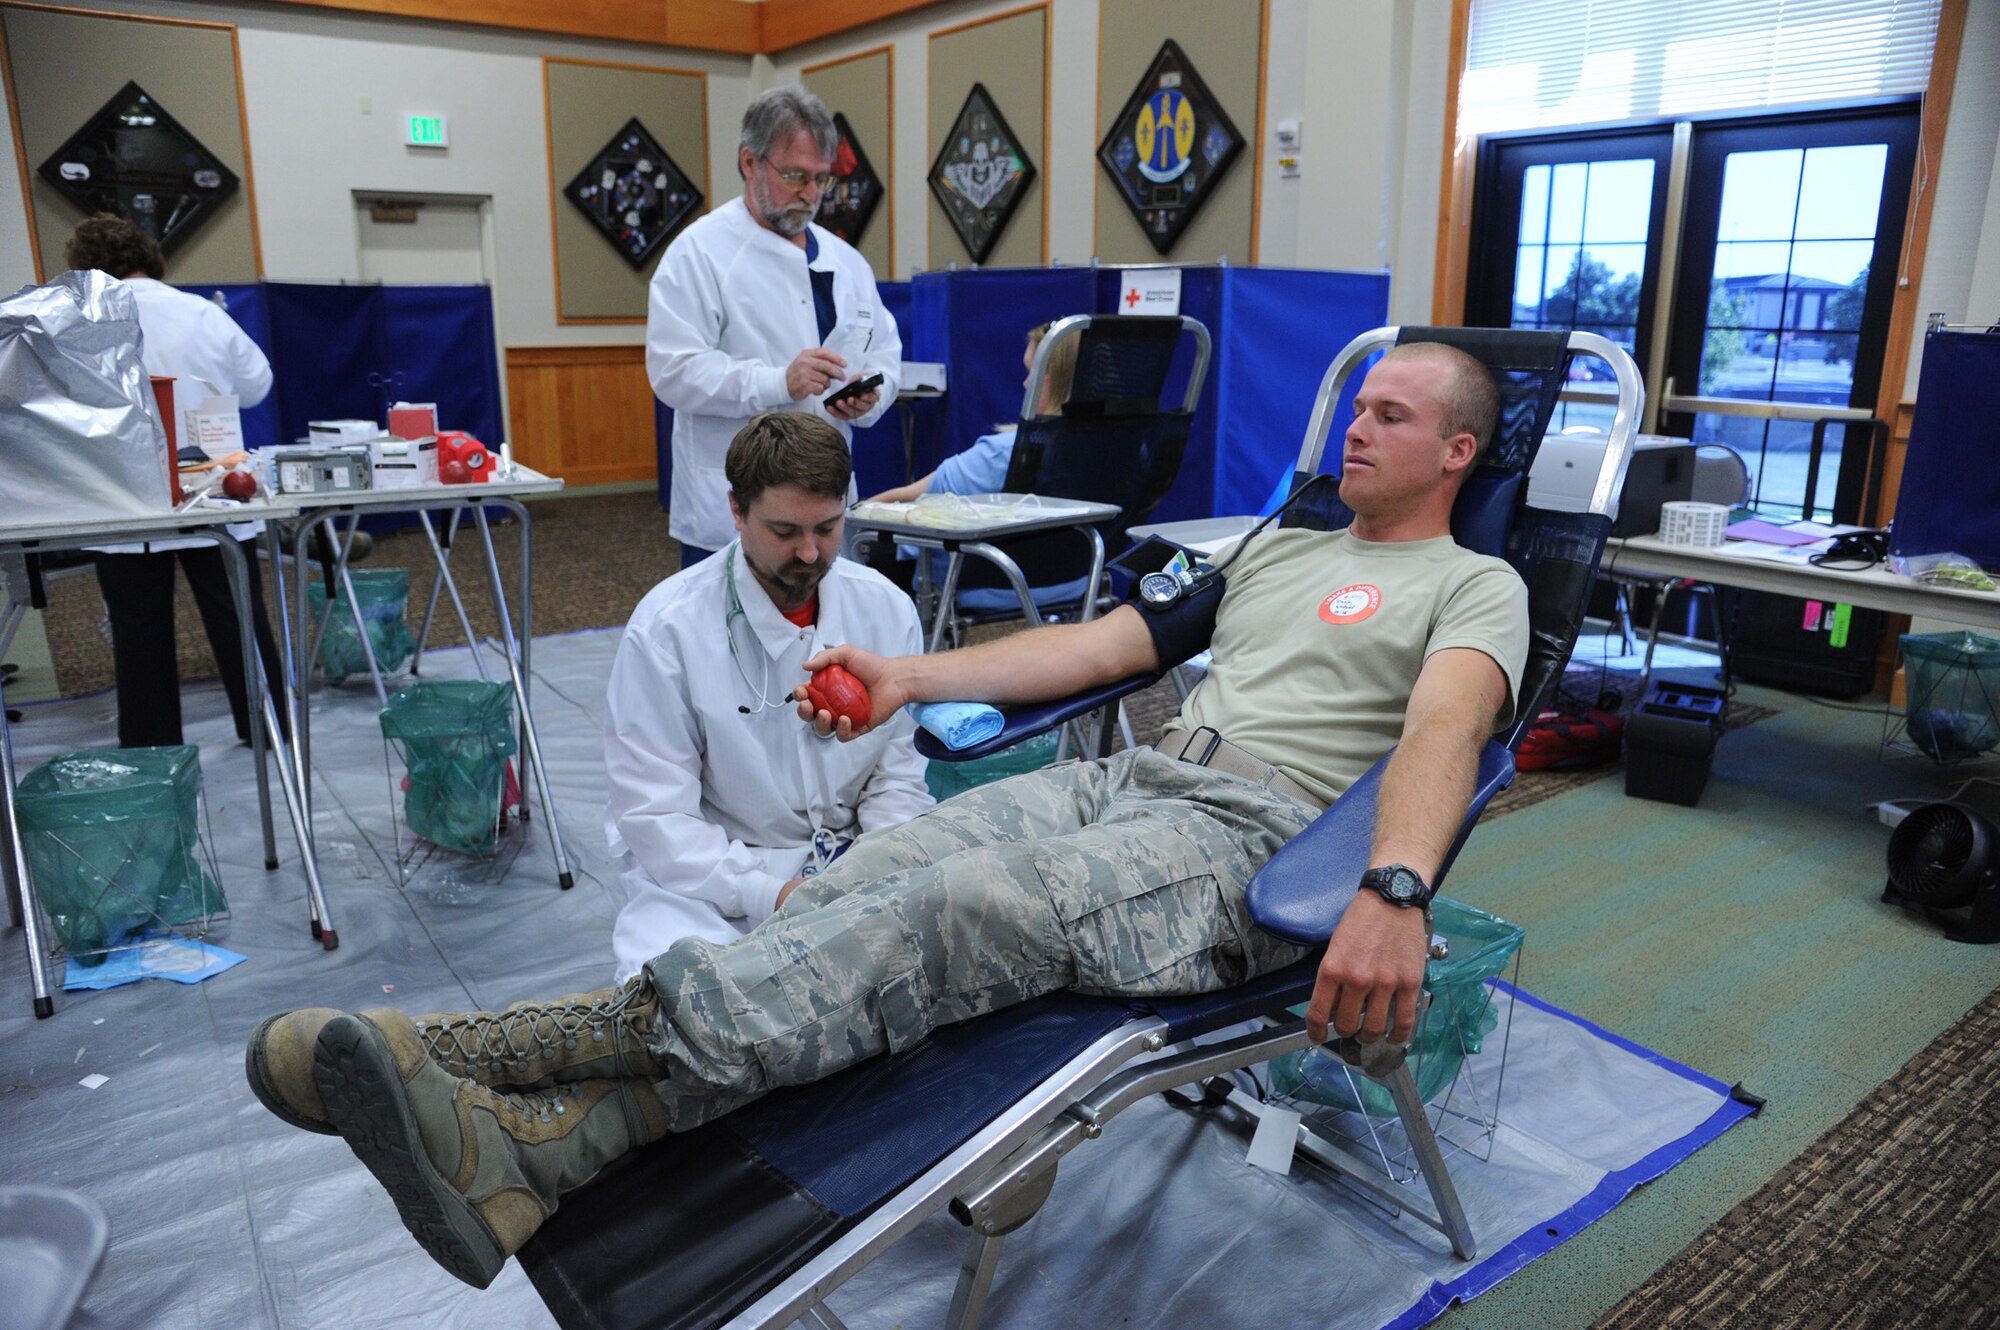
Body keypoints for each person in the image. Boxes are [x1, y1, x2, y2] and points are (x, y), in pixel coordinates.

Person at [244, 342, 1529, 1291]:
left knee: (945, 911)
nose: (1354, 427)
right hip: (1130, 782)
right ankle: (538, 1155)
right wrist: (908, 678)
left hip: (1256, 839)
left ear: (1456, 453)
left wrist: (1391, 887)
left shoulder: (1476, 585)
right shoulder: (1278, 547)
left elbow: (1444, 734)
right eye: (1355, 403)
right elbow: (1103, 647)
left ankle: (475, 1057)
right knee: (875, 875)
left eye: (1390, 414)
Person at [602, 412, 933, 980]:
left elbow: (898, 779)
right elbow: (655, 814)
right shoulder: (667, 630)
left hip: (856, 865)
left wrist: (878, 869)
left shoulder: (886, 609)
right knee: (680, 997)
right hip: (712, 883)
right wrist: (769, 893)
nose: (809, 553)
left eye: (828, 528)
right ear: (736, 510)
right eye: (784, 532)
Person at [647, 86, 901, 568]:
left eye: (822, 178)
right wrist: (778, 382)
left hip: (825, 504)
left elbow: (885, 352)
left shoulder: (847, 262)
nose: (811, 193)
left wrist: (871, 395)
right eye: (794, 175)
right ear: (749, 162)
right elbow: (673, 371)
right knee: (729, 617)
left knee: (831, 616)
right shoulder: (698, 253)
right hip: (734, 509)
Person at [65, 213, 284, 749]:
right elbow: (258, 385)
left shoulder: (78, 324)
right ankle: (268, 729)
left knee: (138, 629)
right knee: (237, 616)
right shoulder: (202, 312)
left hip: (124, 498)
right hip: (214, 491)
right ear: (150, 255)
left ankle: (152, 750)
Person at [862, 322, 1088, 610]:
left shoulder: (1002, 454)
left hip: (986, 588)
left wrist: (854, 515)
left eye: (1033, 371)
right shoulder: (1114, 452)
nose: (1025, 383)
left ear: (1055, 378)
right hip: (1077, 586)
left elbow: (907, 501)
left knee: (867, 544)